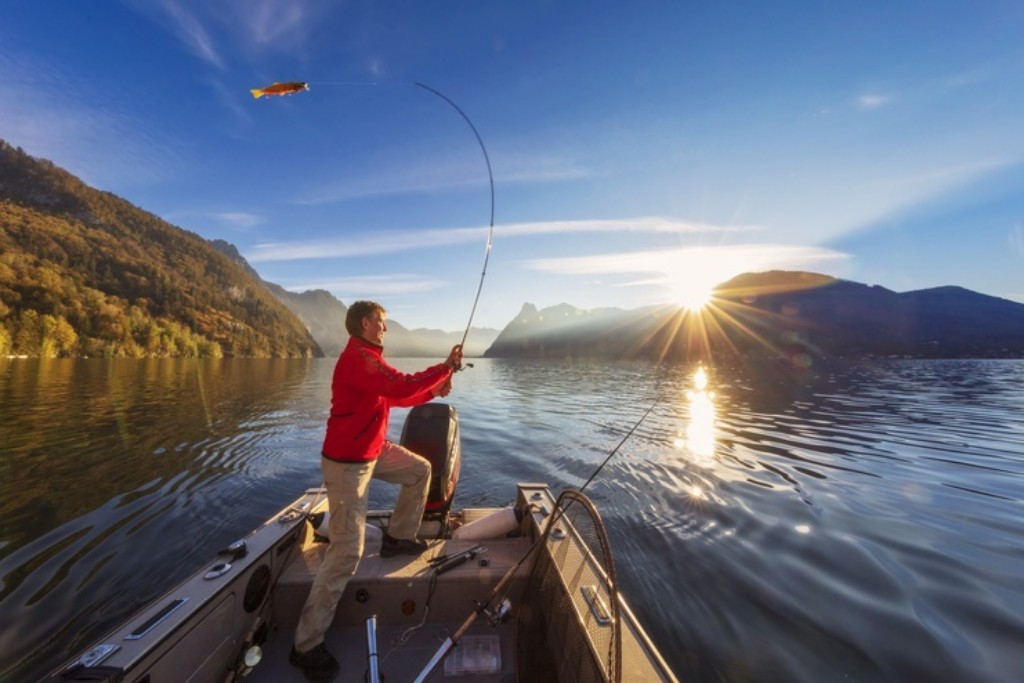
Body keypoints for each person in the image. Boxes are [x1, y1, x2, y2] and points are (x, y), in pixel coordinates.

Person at [290, 300, 463, 681]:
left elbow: (399, 396)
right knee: (346, 552)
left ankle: (399, 537)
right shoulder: (360, 359)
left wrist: (436, 389)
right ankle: (305, 645)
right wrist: (444, 368)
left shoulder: (369, 360)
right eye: (381, 322)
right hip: (348, 464)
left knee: (420, 471)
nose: (385, 328)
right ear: (366, 323)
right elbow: (401, 384)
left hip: (372, 449)